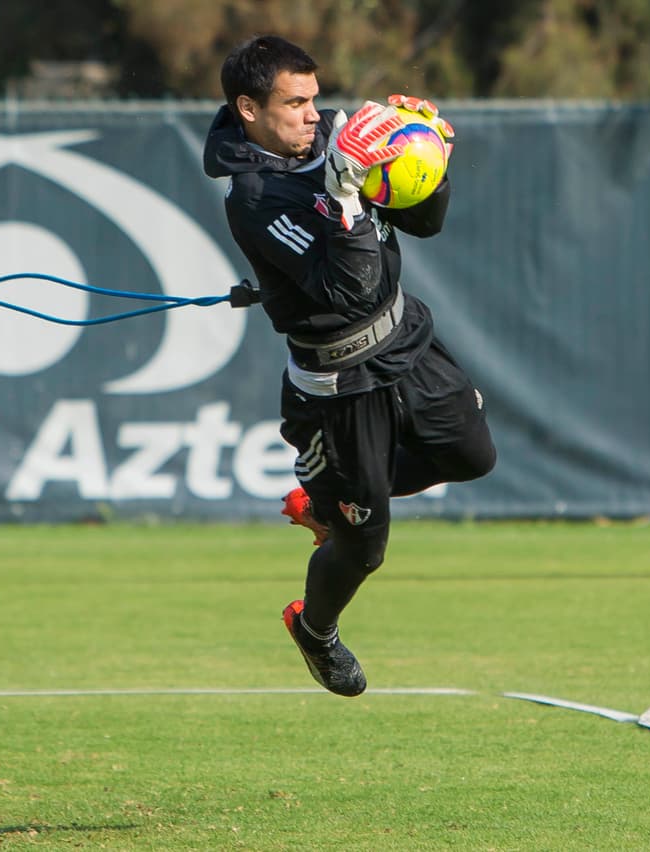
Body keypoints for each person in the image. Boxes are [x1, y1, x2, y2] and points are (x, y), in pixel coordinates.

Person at [204, 36, 496, 697]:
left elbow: (426, 223)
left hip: (406, 342)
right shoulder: (252, 196)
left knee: (474, 457)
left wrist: (430, 156)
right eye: (295, 102)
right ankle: (315, 630)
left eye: (315, 97)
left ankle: (328, 500)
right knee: (367, 547)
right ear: (248, 109)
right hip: (338, 385)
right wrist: (343, 193)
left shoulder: (341, 133)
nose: (315, 114)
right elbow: (348, 290)